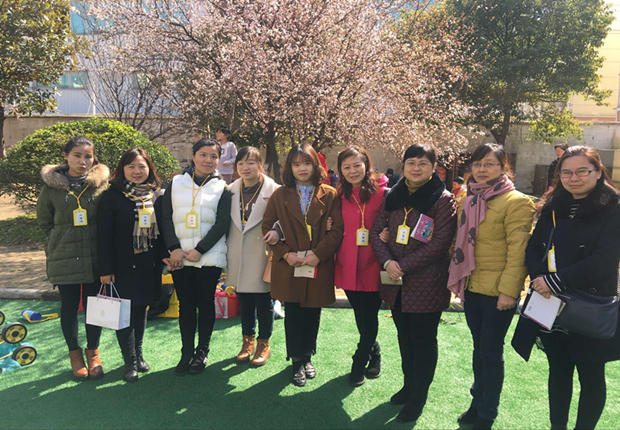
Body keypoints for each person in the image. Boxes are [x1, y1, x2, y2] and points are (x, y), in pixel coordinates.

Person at [513, 146, 620, 430]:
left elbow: (605, 259)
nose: (574, 178)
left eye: (582, 171)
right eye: (566, 172)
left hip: (589, 305)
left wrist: (554, 281)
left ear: (598, 172)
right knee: (558, 371)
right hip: (551, 302)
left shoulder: (613, 207)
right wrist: (539, 278)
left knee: (591, 375)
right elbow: (535, 247)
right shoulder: (553, 205)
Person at [447, 143, 535, 429]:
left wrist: (509, 292)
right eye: (477, 164)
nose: (482, 169)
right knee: (478, 349)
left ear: (503, 168)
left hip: (498, 292)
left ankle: (487, 413)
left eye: (489, 164)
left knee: (490, 352)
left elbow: (518, 252)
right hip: (472, 286)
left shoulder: (516, 201)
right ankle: (477, 402)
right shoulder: (468, 198)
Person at [369, 144, 457, 423]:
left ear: (433, 167)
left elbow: (439, 244)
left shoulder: (443, 199)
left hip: (426, 282)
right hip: (396, 283)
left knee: (423, 340)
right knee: (404, 337)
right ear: (403, 165)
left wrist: (401, 266)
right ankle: (408, 386)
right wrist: (387, 262)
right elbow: (375, 232)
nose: (416, 168)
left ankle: (419, 396)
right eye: (411, 162)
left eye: (423, 163)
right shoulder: (392, 195)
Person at [262, 143, 343, 387]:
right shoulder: (280, 195)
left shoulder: (330, 194)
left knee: (313, 313)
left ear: (315, 165)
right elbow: (267, 226)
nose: (302, 169)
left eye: (307, 163)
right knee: (294, 313)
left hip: (318, 264)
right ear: (290, 168)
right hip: (291, 264)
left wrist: (318, 254)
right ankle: (296, 361)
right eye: (296, 164)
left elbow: (337, 230)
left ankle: (308, 356)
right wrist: (285, 254)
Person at [37, 136, 110, 381]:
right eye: (77, 155)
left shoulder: (102, 185)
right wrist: (56, 243)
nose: (83, 161)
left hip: (95, 255)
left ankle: (93, 353)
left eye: (88, 156)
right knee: (68, 306)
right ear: (66, 156)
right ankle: (75, 355)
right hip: (64, 256)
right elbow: (44, 222)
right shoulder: (51, 187)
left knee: (94, 306)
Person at [160, 138, 232, 376]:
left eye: (214, 156)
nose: (208, 160)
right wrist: (174, 248)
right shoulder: (176, 183)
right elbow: (166, 217)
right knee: (186, 305)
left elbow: (222, 223)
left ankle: (202, 351)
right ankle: (186, 352)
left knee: (205, 303)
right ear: (193, 156)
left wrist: (200, 249)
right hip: (180, 256)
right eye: (203, 154)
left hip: (209, 256)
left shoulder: (223, 188)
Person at [97, 149, 169, 382]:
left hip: (148, 264)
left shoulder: (156, 195)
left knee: (141, 310)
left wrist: (165, 256)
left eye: (142, 166)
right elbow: (103, 236)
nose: (137, 171)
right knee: (124, 314)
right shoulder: (111, 197)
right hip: (122, 265)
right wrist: (105, 270)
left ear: (149, 169)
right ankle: (129, 362)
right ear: (122, 169)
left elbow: (162, 231)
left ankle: (138, 354)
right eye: (131, 167)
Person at [334, 146, 386, 387]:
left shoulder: (383, 193)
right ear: (340, 170)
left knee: (369, 314)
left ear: (367, 165)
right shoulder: (338, 196)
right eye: (346, 167)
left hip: (373, 262)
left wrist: (388, 232)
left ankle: (359, 360)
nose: (352, 171)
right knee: (360, 314)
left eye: (357, 165)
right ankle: (374, 353)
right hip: (347, 261)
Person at [227, 146, 279, 367]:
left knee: (264, 301)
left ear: (261, 165)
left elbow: (285, 219)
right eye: (240, 163)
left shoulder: (274, 190)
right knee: (245, 300)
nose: (245, 167)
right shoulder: (230, 190)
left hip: (262, 252)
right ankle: (247, 342)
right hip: (237, 252)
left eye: (250, 162)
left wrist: (277, 232)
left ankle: (263, 343)